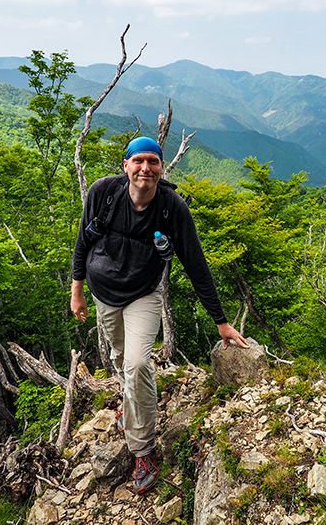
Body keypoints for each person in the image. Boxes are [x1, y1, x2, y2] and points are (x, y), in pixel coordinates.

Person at [70, 137, 246, 494]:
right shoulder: (103, 193)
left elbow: (197, 266)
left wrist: (221, 321)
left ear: (161, 167)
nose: (145, 168)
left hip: (143, 294)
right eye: (138, 161)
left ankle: (143, 449)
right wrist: (76, 290)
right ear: (126, 165)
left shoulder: (172, 208)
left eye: (153, 161)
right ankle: (132, 406)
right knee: (121, 361)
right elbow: (82, 242)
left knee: (136, 364)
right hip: (103, 293)